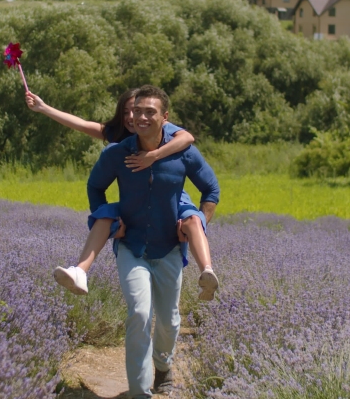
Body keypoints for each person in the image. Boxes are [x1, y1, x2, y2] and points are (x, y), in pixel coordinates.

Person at [24, 89, 219, 301]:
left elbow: (187, 137)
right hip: (133, 201)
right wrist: (43, 108)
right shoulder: (118, 140)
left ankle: (207, 272)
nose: (133, 117)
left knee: (192, 219)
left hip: (169, 195)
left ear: (161, 116)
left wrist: (153, 156)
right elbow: (79, 124)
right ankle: (79, 271)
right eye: (128, 111)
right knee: (105, 214)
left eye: (138, 110)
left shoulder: (161, 128)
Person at [87, 85, 219, 397]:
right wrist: (111, 222)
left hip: (169, 248)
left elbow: (211, 190)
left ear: (165, 118)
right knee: (140, 314)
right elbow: (95, 186)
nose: (141, 117)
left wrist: (197, 223)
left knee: (170, 321)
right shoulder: (117, 153)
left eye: (150, 112)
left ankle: (163, 365)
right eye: (137, 111)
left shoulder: (183, 152)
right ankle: (139, 391)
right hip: (132, 247)